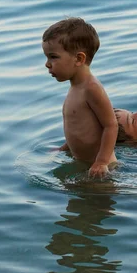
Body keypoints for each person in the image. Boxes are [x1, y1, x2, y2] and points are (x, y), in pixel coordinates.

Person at [43, 17, 118, 178]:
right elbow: (78, 128)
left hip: (103, 170)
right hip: (85, 165)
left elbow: (111, 125)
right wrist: (63, 149)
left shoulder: (91, 88)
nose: (47, 64)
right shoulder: (74, 88)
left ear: (78, 59)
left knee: (99, 202)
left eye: (53, 57)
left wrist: (102, 161)